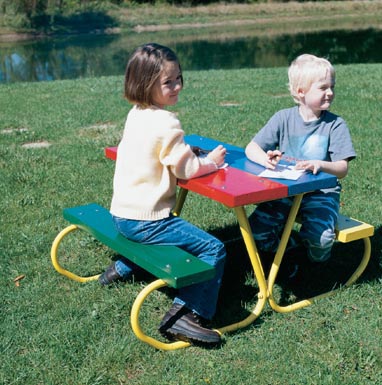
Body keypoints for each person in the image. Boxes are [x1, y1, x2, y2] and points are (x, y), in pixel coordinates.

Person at [98, 43, 227, 345]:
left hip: (122, 215)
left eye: (179, 78)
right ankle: (186, 314)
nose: (177, 86)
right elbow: (187, 170)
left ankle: (122, 267)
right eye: (168, 82)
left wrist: (182, 153)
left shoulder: (136, 113)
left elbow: (160, 152)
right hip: (146, 221)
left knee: (164, 243)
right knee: (214, 249)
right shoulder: (167, 122)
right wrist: (211, 162)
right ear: (146, 85)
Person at [245, 53, 356, 274]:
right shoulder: (283, 118)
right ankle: (290, 252)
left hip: (321, 192)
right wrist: (265, 158)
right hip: (286, 191)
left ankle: (316, 264)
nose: (330, 92)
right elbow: (251, 148)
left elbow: (342, 168)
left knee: (321, 238)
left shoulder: (335, 125)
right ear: (300, 92)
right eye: (323, 87)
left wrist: (321, 164)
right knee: (255, 232)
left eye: (332, 86)